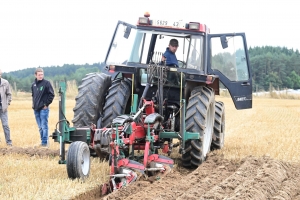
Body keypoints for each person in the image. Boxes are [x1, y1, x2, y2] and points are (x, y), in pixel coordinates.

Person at [31, 68, 55, 147]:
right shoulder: (33, 85)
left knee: (44, 126)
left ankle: (45, 143)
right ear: (35, 75)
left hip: (43, 109)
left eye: (42, 74)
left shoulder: (47, 83)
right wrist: (33, 105)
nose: (41, 76)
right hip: (36, 109)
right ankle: (42, 142)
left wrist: (46, 104)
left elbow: (51, 95)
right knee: (40, 127)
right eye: (39, 75)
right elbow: (33, 96)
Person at [0, 69, 12, 146]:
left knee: (5, 125)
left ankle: (9, 142)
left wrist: (7, 103)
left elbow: (9, 94)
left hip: (3, 108)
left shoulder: (5, 82)